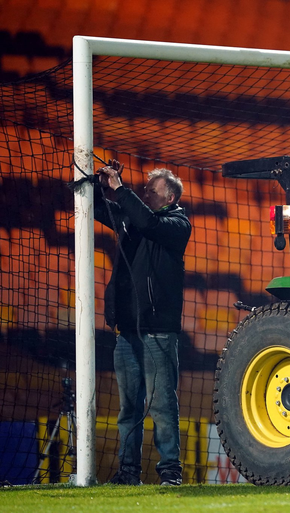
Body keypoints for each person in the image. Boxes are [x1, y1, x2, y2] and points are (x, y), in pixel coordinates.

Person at [94, 160, 191, 486]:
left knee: (162, 406)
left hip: (159, 332)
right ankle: (128, 473)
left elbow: (149, 223)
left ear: (171, 199)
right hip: (127, 332)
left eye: (152, 191)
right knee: (128, 410)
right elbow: (96, 208)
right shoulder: (132, 220)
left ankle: (170, 472)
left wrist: (123, 191)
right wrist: (101, 184)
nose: (145, 194)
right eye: (145, 191)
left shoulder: (178, 224)